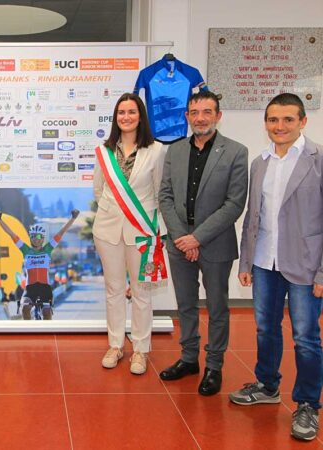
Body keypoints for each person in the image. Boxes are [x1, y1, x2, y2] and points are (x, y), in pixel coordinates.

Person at [229, 93, 323, 441]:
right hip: (264, 261)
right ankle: (267, 385)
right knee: (265, 328)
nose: (279, 126)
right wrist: (246, 260)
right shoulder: (260, 163)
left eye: (287, 119)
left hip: (305, 265)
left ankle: (308, 404)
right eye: (272, 120)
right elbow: (253, 216)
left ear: (303, 121)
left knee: (306, 338)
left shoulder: (318, 160)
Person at [158, 90, 248, 395]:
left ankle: (214, 365)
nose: (200, 118)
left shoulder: (236, 152)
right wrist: (182, 238)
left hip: (216, 242)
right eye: (194, 112)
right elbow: (165, 196)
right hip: (179, 241)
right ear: (187, 116)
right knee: (185, 304)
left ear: (218, 116)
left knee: (217, 306)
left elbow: (234, 204)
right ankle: (188, 358)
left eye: (207, 112)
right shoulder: (175, 151)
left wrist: (197, 237)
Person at [92, 93, 166, 375]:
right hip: (107, 230)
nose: (126, 117)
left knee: (141, 291)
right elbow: (99, 190)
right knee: (113, 290)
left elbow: (159, 192)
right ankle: (115, 345)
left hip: (142, 231)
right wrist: (115, 211)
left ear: (140, 116)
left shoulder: (156, 150)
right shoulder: (104, 151)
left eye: (131, 112)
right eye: (121, 112)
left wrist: (155, 229)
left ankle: (140, 349)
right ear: (115, 117)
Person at [0, 210, 79, 320]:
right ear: (30, 238)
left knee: (46, 312)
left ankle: (47, 329)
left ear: (43, 238)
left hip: (45, 288)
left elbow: (61, 232)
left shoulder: (48, 249)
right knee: (25, 308)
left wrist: (73, 218)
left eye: (39, 236)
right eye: (33, 236)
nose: (36, 239)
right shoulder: (25, 250)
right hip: (30, 288)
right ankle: (29, 329)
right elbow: (11, 234)